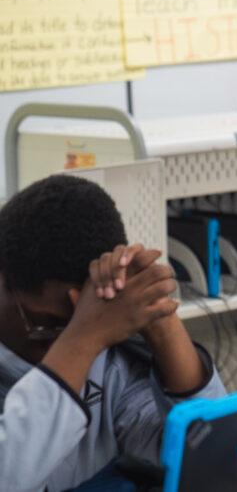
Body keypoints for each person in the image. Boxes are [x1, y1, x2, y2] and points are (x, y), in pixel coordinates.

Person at [0, 174, 225, 492]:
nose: (61, 345)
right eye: (45, 324)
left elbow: (211, 454)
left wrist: (159, 321)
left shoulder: (110, 363)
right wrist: (83, 335)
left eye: (80, 323)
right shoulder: (86, 339)